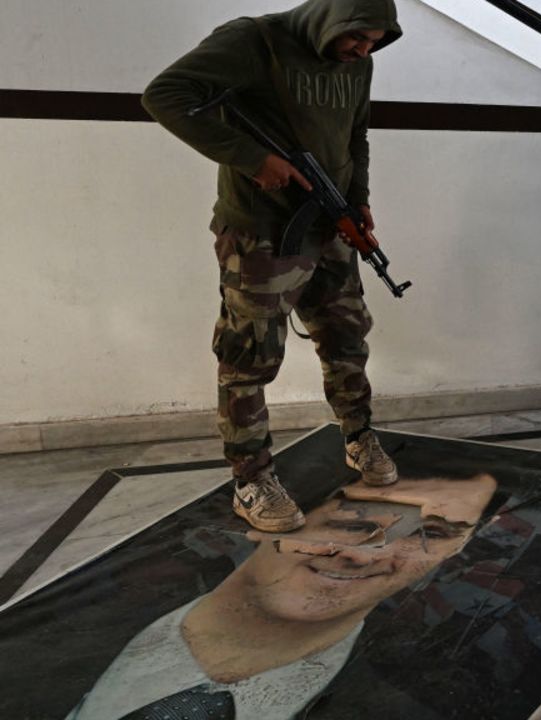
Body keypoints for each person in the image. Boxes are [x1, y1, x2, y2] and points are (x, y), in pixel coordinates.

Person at [140, 0, 404, 532]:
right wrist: (253, 159)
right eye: (357, 38)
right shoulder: (253, 41)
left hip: (330, 222)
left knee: (347, 335)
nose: (364, 51)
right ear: (332, 17)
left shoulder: (360, 62)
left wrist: (358, 200)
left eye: (375, 42)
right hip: (260, 230)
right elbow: (164, 95)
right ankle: (251, 479)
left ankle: (358, 436)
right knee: (250, 355)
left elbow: (357, 135)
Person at [66, 474, 498, 720]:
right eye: (352, 521)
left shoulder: (405, 710)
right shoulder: (67, 622)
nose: (363, 555)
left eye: (428, 535)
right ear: (264, 520)